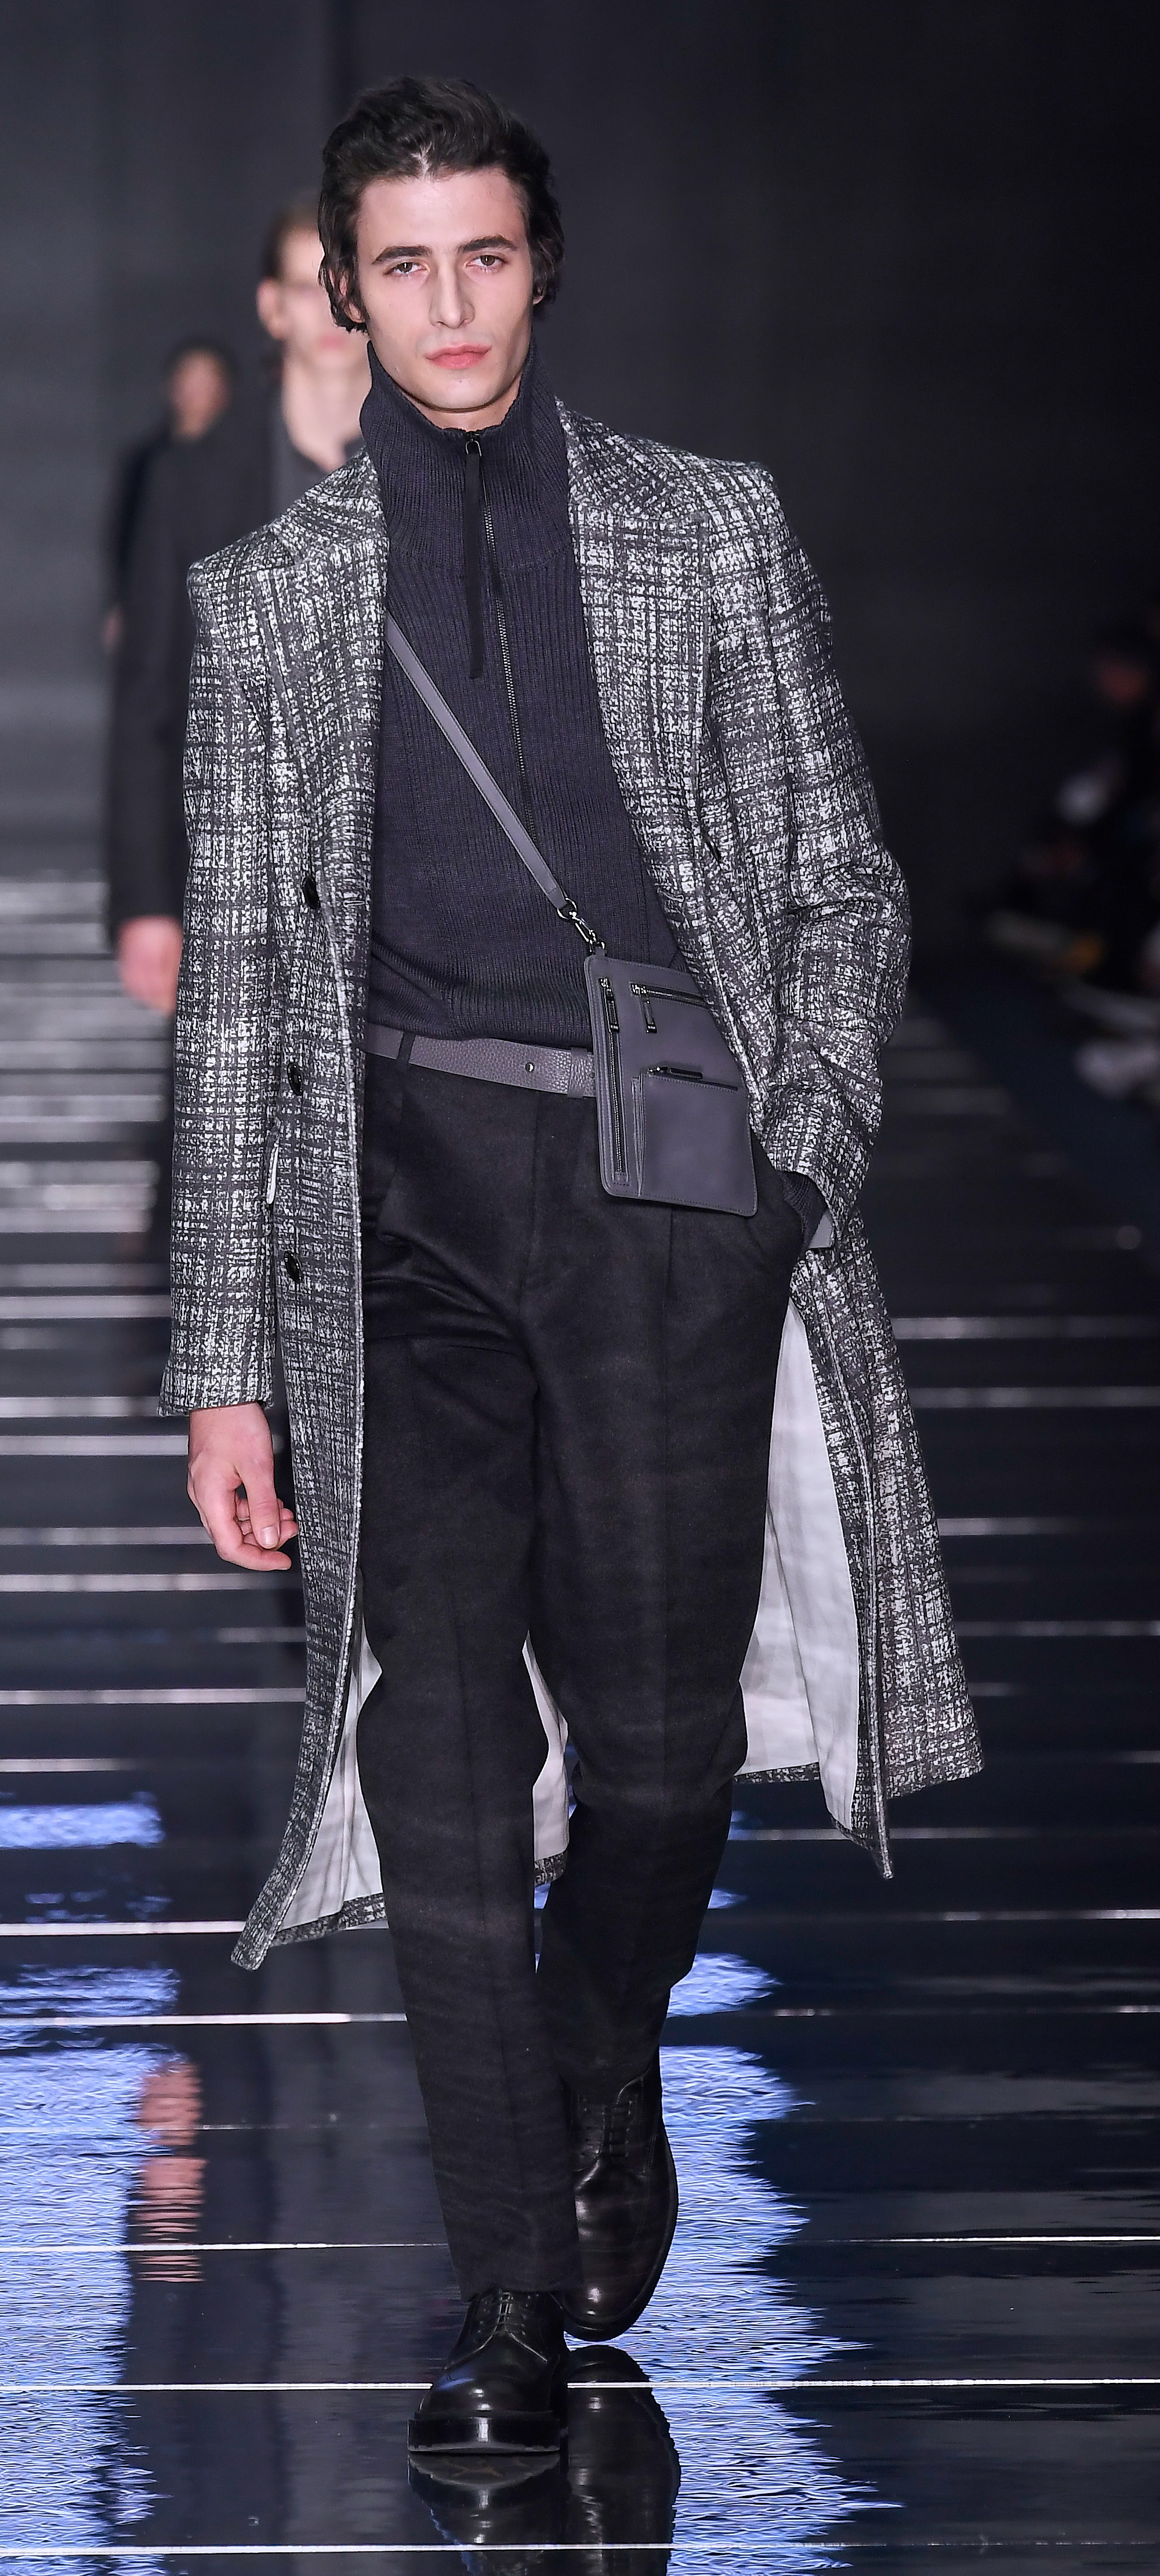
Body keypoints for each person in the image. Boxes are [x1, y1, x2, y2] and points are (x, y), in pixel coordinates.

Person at [163, 75, 979, 2468]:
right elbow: (238, 1003)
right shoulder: (269, 604)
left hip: (665, 1216)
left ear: (540, 265)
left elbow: (837, 884)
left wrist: (787, 1182)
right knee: (430, 1767)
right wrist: (226, 1364)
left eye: (485, 256)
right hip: (398, 1235)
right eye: (401, 264)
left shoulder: (705, 529)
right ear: (343, 288)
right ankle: (509, 2297)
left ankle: (598, 2046)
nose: (447, 305)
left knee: (654, 1755)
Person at [105, 198, 370, 1025]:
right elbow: (149, 697)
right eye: (309, 285)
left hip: (409, 885)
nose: (332, 308)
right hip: (235, 882)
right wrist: (147, 901)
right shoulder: (191, 482)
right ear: (271, 307)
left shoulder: (447, 467)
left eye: (351, 281)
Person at [102, 338, 236, 658]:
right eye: (190, 377)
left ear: (226, 390)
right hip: (157, 598)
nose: (198, 390)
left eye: (208, 379)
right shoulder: (145, 461)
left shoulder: (245, 462)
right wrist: (120, 603)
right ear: (172, 386)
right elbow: (124, 534)